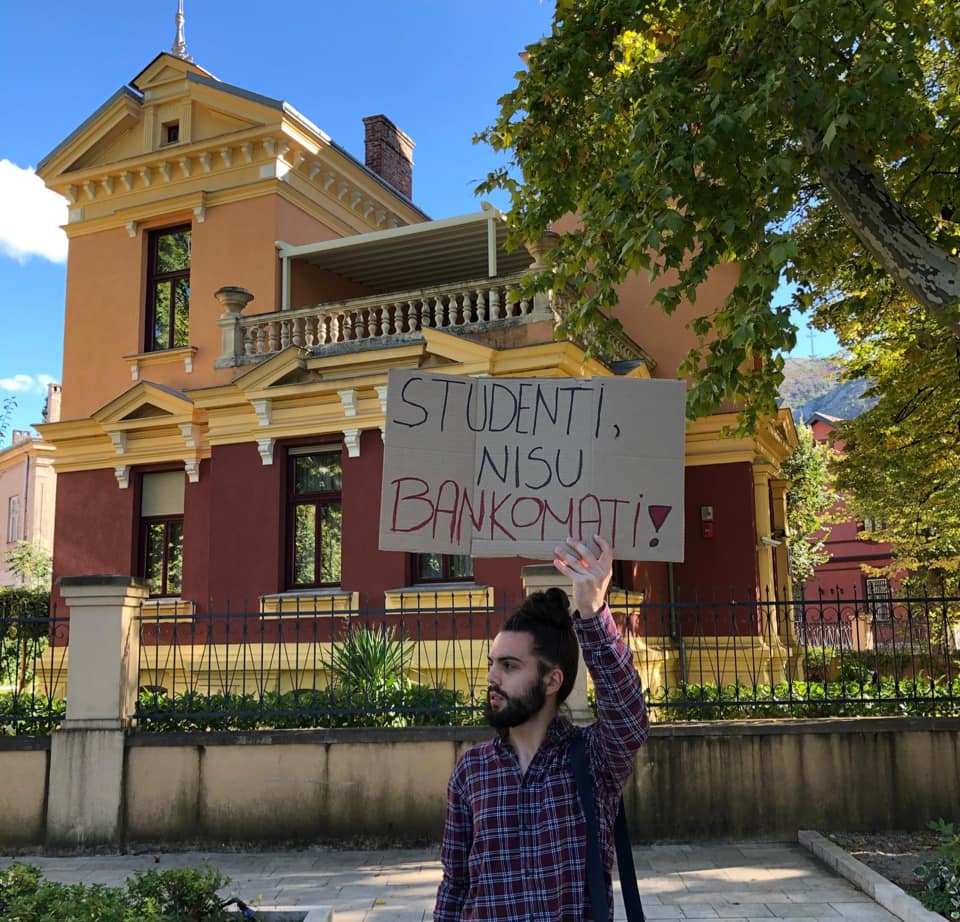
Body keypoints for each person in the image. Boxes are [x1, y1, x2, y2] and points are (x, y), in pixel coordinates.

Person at [434, 534, 649, 922]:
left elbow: (629, 715)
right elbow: (456, 886)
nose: (491, 677)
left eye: (509, 666)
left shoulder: (594, 761)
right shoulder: (471, 771)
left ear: (552, 682)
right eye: (492, 662)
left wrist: (593, 609)